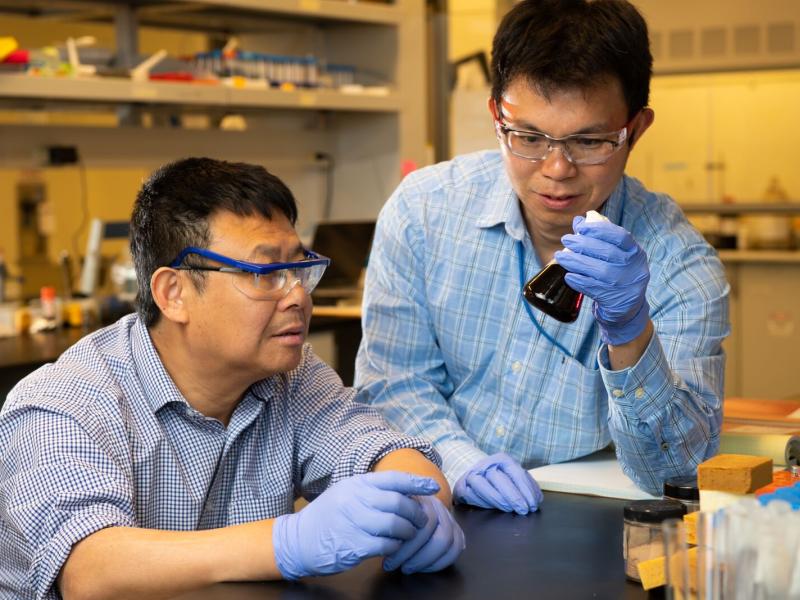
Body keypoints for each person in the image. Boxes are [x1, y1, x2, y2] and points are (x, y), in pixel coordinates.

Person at [0, 158, 464, 600]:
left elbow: (385, 452)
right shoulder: (64, 403)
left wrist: (420, 506)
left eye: (299, 268)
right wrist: (288, 542)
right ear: (173, 292)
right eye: (265, 273)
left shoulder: (292, 377)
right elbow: (90, 573)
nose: (298, 296)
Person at [355, 0, 729, 507]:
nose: (556, 168)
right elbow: (394, 382)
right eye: (528, 137)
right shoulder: (424, 211)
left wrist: (632, 334)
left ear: (635, 129)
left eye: (589, 141)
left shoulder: (679, 263)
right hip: (438, 494)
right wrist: (463, 465)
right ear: (496, 116)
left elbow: (674, 470)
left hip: (584, 521)